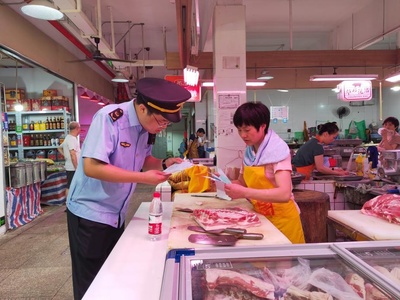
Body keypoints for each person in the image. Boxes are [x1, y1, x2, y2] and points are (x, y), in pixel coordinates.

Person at [66, 77, 191, 299]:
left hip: (116, 213)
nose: (162, 128)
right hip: (90, 213)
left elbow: (143, 160)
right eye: (162, 122)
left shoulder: (146, 127)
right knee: (91, 285)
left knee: (110, 276)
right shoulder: (110, 119)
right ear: (143, 108)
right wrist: (142, 178)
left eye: (167, 125)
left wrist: (164, 164)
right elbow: (92, 167)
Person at [224, 102, 305, 244]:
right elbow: (242, 182)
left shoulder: (277, 150)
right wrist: (227, 183)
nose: (243, 135)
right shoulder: (249, 151)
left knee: (284, 265)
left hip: (283, 221)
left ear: (262, 126)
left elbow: (284, 194)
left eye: (247, 130)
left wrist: (244, 192)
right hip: (260, 217)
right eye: (239, 130)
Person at [57, 121, 81, 196]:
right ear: (77, 128)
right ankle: (68, 202)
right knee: (70, 185)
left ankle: (70, 201)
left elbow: (59, 148)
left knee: (71, 184)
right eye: (79, 128)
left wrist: (65, 155)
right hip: (72, 167)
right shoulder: (71, 139)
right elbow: (72, 154)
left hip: (71, 166)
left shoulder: (68, 138)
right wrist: (76, 167)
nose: (80, 130)